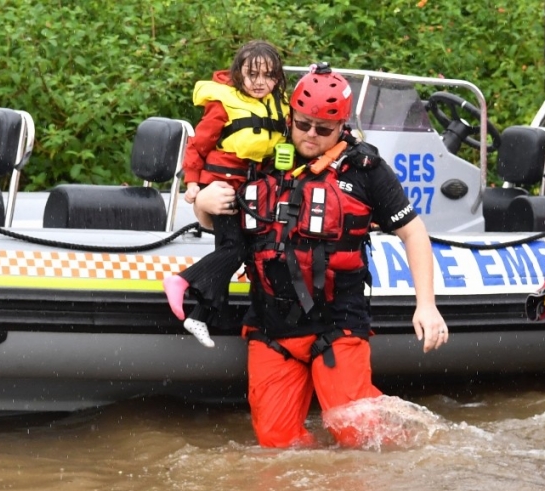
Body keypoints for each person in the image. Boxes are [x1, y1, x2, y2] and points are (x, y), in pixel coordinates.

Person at [192, 63, 449, 448]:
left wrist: (426, 306)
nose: (310, 135)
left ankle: (421, 446)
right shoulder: (258, 154)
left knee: (356, 436)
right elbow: (219, 223)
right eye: (303, 124)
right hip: (271, 322)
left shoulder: (365, 169)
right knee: (278, 447)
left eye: (323, 129)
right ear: (291, 116)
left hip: (337, 322)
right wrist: (204, 203)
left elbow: (413, 232)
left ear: (341, 126)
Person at [162, 39, 289, 348]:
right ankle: (182, 280)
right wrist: (193, 184)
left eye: (269, 75)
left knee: (235, 253)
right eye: (252, 74)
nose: (260, 83)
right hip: (222, 186)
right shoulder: (223, 104)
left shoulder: (280, 106)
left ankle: (200, 316)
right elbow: (198, 145)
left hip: (250, 190)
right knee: (234, 250)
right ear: (238, 73)